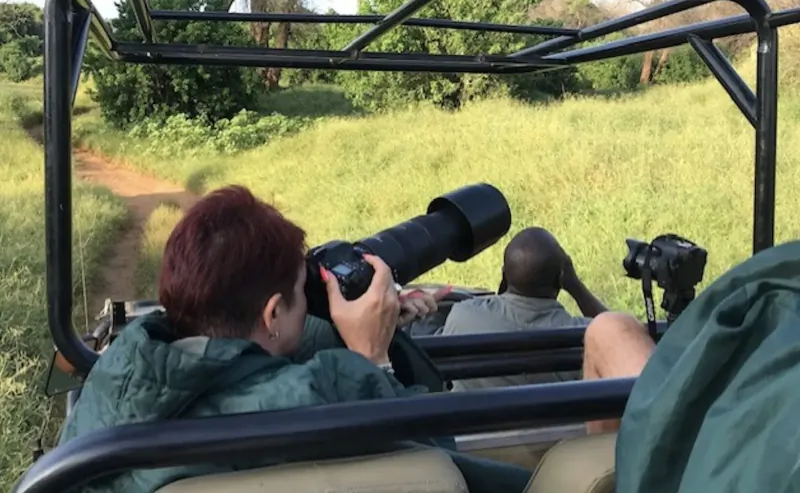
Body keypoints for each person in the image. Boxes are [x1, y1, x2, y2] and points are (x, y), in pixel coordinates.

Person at [58, 185, 654, 493]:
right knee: (613, 332)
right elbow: (432, 437)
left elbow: (248, 365)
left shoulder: (108, 396)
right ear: (270, 314)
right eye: (302, 287)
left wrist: (383, 324)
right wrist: (373, 355)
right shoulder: (331, 395)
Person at [429, 227, 629, 391]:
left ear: (505, 275)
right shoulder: (582, 336)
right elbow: (620, 341)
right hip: (555, 439)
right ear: (562, 278)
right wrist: (576, 286)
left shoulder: (464, 315)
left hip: (474, 436)